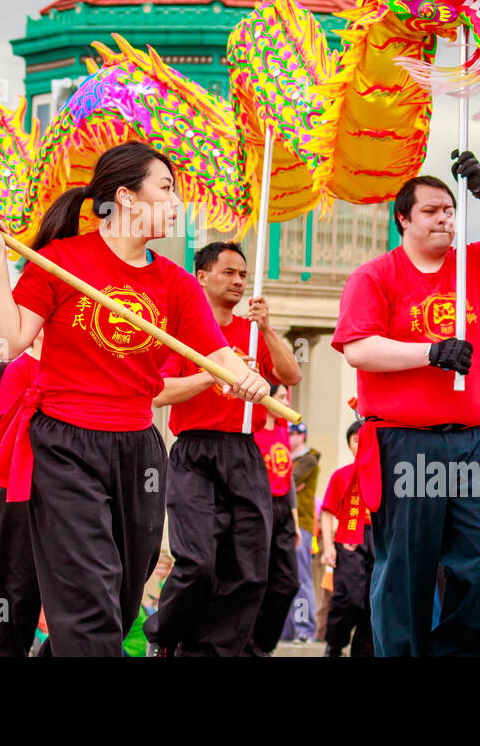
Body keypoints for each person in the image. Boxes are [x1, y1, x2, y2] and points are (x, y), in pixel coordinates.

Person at [0, 141, 268, 656]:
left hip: (139, 448)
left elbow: (218, 353)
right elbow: (7, 343)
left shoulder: (174, 283)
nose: (177, 203)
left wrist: (247, 379)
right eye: (167, 189)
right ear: (126, 198)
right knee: (88, 595)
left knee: (124, 594)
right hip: (64, 446)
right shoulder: (60, 261)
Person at [332, 154, 480, 656]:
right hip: (405, 441)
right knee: (407, 567)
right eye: (431, 211)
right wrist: (430, 353)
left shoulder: (479, 266)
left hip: (471, 441)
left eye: (449, 210)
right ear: (403, 219)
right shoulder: (376, 276)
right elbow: (358, 347)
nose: (444, 218)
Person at [149, 241, 301, 656]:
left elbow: (291, 375)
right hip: (194, 452)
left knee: (251, 571)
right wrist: (212, 375)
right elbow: (159, 393)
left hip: (245, 453)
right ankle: (164, 637)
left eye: (242, 275)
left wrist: (268, 329)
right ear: (201, 276)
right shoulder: (180, 330)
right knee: (198, 563)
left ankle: (212, 651)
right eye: (229, 272)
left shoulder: (252, 332)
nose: (238, 281)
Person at [0, 332, 43, 658]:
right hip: (20, 489)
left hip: (66, 489)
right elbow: (4, 430)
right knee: (15, 586)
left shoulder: (72, 367)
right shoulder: (19, 369)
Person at [246, 384, 299, 656]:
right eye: (281, 397)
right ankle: (248, 646)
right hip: (257, 507)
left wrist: (295, 518)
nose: (286, 402)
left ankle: (262, 645)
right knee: (255, 579)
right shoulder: (250, 428)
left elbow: (287, 477)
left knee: (288, 582)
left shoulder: (282, 428)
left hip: (282, 510)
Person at [320, 420, 374, 657]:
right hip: (350, 536)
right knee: (350, 598)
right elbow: (328, 511)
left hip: (379, 538)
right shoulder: (341, 476)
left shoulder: (386, 476)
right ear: (349, 444)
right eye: (355, 440)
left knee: (375, 601)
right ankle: (335, 643)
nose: (360, 444)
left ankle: (363, 651)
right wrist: (329, 547)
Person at [283, 420, 321, 642]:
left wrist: (283, 481)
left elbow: (287, 479)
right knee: (285, 578)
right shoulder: (287, 459)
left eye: (294, 432)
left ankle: (305, 630)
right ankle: (288, 631)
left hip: (303, 526)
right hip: (284, 524)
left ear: (302, 435)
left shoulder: (309, 459)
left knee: (301, 578)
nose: (290, 436)